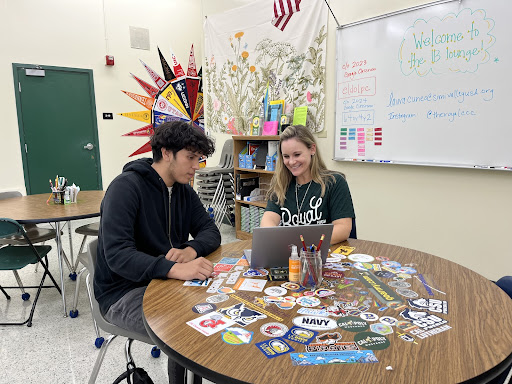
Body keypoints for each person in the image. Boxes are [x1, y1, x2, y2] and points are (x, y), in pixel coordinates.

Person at [94, 121, 221, 384]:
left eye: (199, 159)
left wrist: (191, 249)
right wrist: (174, 268)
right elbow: (118, 255)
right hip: (122, 292)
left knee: (213, 310)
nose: (196, 166)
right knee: (187, 327)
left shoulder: (184, 191)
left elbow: (211, 231)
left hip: (163, 282)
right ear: (166, 153)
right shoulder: (125, 188)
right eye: (190, 158)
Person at [260, 125, 355, 244]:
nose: (292, 162)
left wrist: (302, 244)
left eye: (297, 154)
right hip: (291, 256)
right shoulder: (281, 184)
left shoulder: (334, 182)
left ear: (312, 149)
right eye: (286, 156)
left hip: (323, 256)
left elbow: (343, 229)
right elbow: (268, 221)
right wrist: (277, 239)